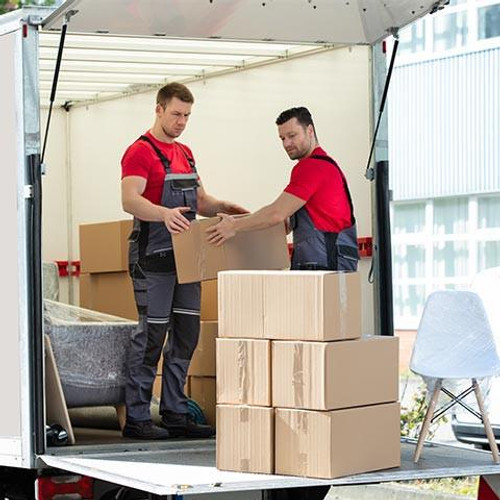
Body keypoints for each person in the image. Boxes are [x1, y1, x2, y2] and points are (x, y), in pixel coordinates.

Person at [120, 82, 247, 440]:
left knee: (187, 334)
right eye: (176, 114)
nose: (181, 122)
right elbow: (129, 200)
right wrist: (162, 213)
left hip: (188, 259)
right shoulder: (139, 152)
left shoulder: (186, 153)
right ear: (159, 109)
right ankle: (138, 418)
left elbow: (200, 201)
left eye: (187, 116)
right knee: (152, 336)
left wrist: (223, 207)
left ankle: (175, 411)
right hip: (153, 259)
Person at [206, 106, 359, 272]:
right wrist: (253, 224)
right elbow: (285, 222)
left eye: (292, 136)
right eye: (282, 138)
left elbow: (276, 213)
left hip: (324, 264)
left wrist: (233, 226)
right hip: (331, 262)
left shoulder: (312, 166)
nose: (287, 143)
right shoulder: (326, 166)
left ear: (310, 130)